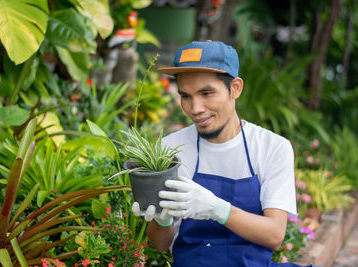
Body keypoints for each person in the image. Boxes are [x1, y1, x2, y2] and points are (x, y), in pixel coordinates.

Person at [131, 40, 312, 267]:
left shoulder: (272, 147)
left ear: (235, 88)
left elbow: (275, 235)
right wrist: (162, 218)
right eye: (185, 96)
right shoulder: (169, 149)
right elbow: (160, 243)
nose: (195, 108)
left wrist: (217, 209)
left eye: (207, 93)